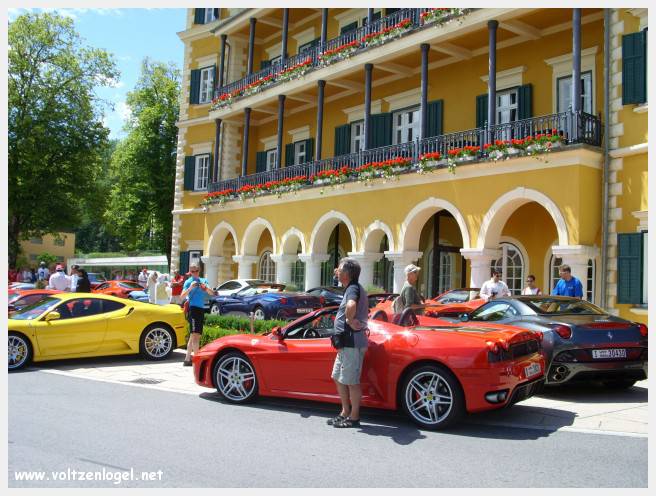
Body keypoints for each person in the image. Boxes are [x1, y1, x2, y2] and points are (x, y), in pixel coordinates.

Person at [328, 257, 369, 429]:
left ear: (348, 273)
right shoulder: (351, 288)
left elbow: (351, 305)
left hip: (352, 342)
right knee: (338, 377)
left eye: (340, 269)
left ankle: (354, 417)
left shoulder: (353, 288)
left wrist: (349, 318)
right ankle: (345, 412)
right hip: (345, 344)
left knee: (351, 381)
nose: (337, 271)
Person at [181, 265, 214, 366]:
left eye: (196, 271)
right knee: (195, 336)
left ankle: (187, 359)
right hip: (193, 309)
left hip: (201, 309)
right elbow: (181, 296)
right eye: (192, 271)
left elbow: (212, 293)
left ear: (199, 270)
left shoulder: (203, 280)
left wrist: (205, 288)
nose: (195, 273)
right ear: (190, 272)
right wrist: (190, 287)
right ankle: (197, 361)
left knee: (195, 335)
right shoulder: (188, 282)